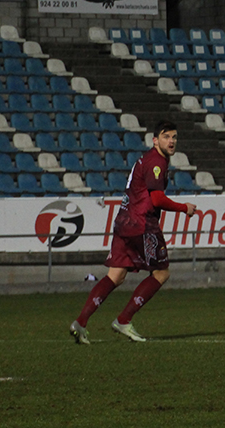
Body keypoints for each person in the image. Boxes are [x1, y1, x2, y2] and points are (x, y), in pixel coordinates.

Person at [69, 122, 197, 344]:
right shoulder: (156, 162)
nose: (172, 141)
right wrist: (184, 207)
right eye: (166, 137)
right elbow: (156, 199)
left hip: (124, 221)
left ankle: (80, 322)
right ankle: (124, 319)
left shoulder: (148, 159)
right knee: (161, 273)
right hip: (142, 224)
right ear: (155, 140)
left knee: (115, 276)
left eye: (174, 137)